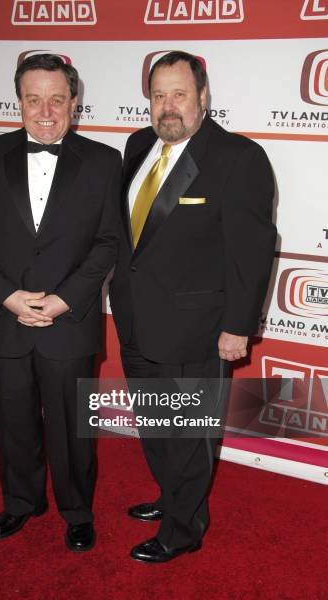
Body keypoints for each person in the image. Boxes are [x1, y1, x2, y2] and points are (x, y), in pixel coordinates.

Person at [110, 51, 276, 563]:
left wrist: (237, 327)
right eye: (158, 95)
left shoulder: (238, 158)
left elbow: (252, 249)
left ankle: (184, 529)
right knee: (156, 422)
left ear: (203, 96)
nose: (167, 106)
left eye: (179, 93)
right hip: (137, 320)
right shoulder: (138, 145)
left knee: (190, 431)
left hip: (199, 328)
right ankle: (171, 496)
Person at [0, 54, 121, 552]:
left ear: (74, 102)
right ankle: (21, 501)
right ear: (19, 102)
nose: (45, 111)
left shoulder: (102, 160)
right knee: (12, 419)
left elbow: (109, 240)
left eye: (56, 99)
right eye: (33, 99)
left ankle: (77, 510)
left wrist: (64, 300)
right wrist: (5, 295)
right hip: (3, 317)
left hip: (67, 320)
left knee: (72, 426)